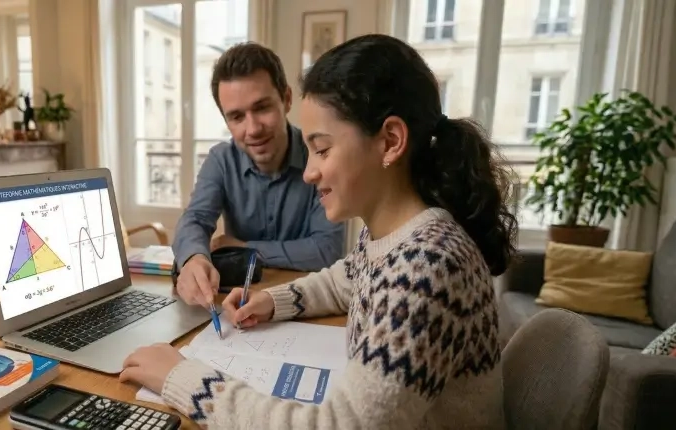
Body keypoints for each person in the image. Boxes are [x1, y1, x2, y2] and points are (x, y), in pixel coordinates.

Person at [119, 34, 516, 429]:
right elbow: (348, 278)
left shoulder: (426, 268)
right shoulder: (397, 237)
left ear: (390, 141)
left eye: (322, 150)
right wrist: (273, 301)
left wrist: (183, 378)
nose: (309, 172)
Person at [173, 42, 346, 307]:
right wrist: (194, 259)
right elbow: (195, 219)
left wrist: (244, 248)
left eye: (262, 108)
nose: (252, 129)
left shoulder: (321, 155)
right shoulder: (221, 160)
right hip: (241, 305)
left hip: (308, 302)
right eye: (237, 117)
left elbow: (326, 251)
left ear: (287, 99)